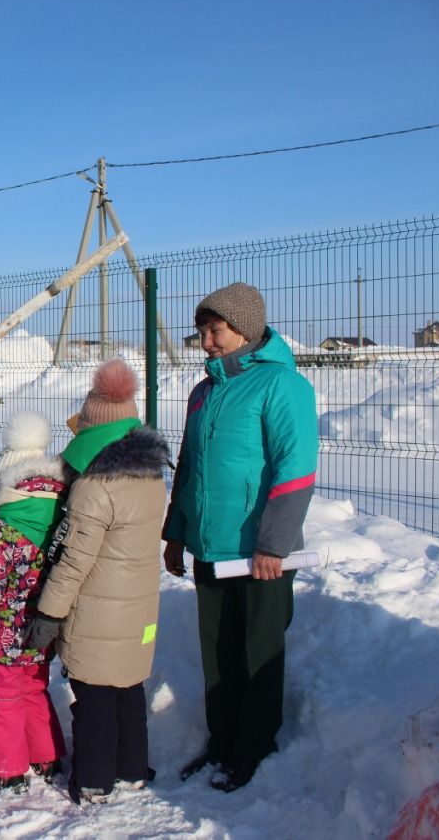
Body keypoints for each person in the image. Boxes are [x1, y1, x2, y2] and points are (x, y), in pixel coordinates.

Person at [161, 282, 318, 793]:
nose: (206, 341)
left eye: (215, 331)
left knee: (256, 654)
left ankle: (253, 748)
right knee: (219, 654)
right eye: (202, 331)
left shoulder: (282, 385)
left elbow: (296, 470)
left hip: (258, 553)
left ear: (245, 329)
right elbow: (190, 469)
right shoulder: (204, 391)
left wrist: (274, 544)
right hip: (210, 548)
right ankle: (222, 742)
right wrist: (176, 535)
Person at [23, 359, 169, 805]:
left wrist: (48, 613)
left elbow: (73, 563)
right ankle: (131, 769)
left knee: (94, 699)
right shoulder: (150, 477)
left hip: (98, 614)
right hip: (140, 609)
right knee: (128, 691)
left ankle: (92, 779)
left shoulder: (94, 488)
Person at [0, 411, 68, 794]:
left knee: (1, 699)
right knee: (35, 692)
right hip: (41, 629)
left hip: (1, 635)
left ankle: (7, 769)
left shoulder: (6, 529)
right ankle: (47, 756)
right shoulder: (59, 516)